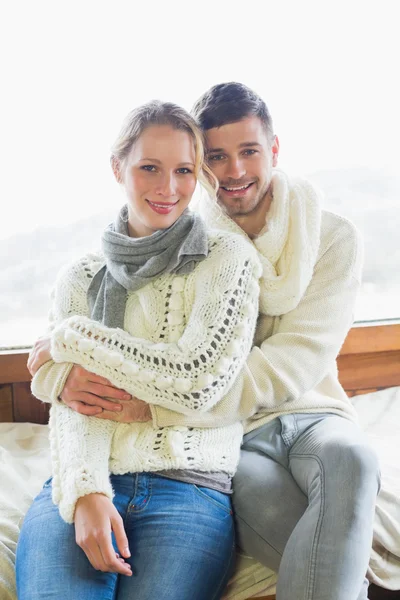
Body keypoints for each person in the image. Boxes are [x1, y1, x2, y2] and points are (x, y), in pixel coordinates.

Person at [28, 83, 381, 600]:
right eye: (216, 157)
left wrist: (88, 357)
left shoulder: (287, 244)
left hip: (286, 415)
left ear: (274, 150)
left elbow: (274, 365)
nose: (235, 171)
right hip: (235, 435)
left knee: (354, 462)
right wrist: (60, 374)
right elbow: (88, 378)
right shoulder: (177, 235)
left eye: (249, 152)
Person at [16, 100, 262, 600]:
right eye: (149, 167)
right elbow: (73, 404)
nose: (167, 188)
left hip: (189, 491)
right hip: (87, 481)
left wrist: (72, 341)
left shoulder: (226, 258)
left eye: (184, 171)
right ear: (117, 168)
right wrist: (85, 492)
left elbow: (195, 380)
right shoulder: (80, 278)